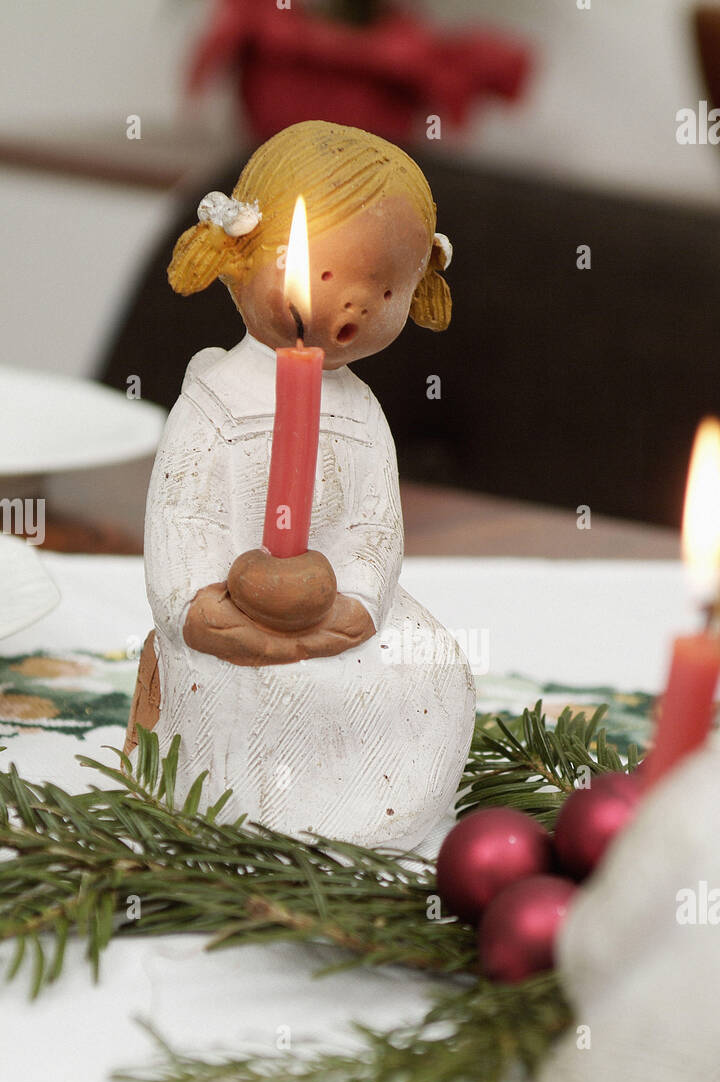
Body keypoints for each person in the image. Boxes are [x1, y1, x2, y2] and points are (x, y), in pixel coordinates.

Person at [127, 121, 475, 851]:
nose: (351, 312)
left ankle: (376, 817)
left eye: (383, 290)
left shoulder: (364, 415)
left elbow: (375, 526)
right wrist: (195, 606)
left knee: (428, 665)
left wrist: (355, 600)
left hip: (336, 611)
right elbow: (182, 517)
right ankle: (243, 819)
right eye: (325, 279)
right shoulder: (214, 403)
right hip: (224, 613)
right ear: (242, 251)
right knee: (244, 690)